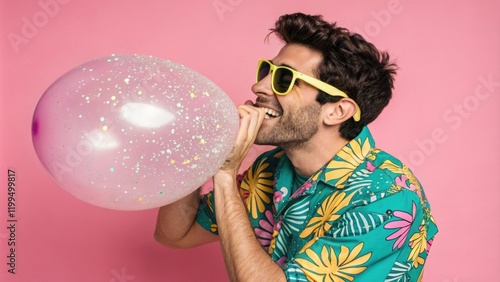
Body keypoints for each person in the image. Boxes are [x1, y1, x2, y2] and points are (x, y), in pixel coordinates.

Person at [155, 12, 438, 281]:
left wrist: (226, 174)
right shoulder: (270, 168)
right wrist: (197, 150)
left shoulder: (387, 199)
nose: (260, 87)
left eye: (285, 79)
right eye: (266, 70)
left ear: (337, 111)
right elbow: (176, 234)